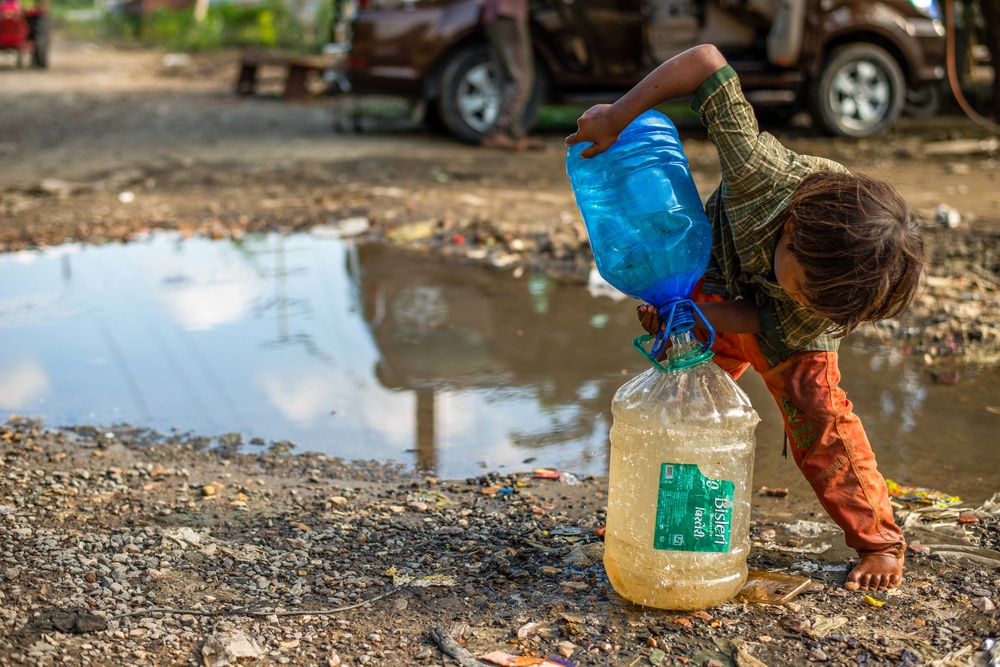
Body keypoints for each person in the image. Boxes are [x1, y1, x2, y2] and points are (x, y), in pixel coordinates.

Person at [566, 44, 925, 592]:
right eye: (804, 288)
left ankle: (880, 541)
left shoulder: (814, 313)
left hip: (771, 330)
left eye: (818, 304)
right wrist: (620, 115)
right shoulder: (762, 175)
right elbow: (706, 62)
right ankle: (654, 518)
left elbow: (767, 316)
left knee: (822, 429)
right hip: (712, 275)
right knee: (683, 399)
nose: (805, 302)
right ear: (795, 230)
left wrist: (707, 319)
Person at [480, 0, 542, 150]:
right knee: (520, 80)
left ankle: (515, 134)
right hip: (508, 11)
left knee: (507, 79)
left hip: (498, 12)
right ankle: (497, 132)